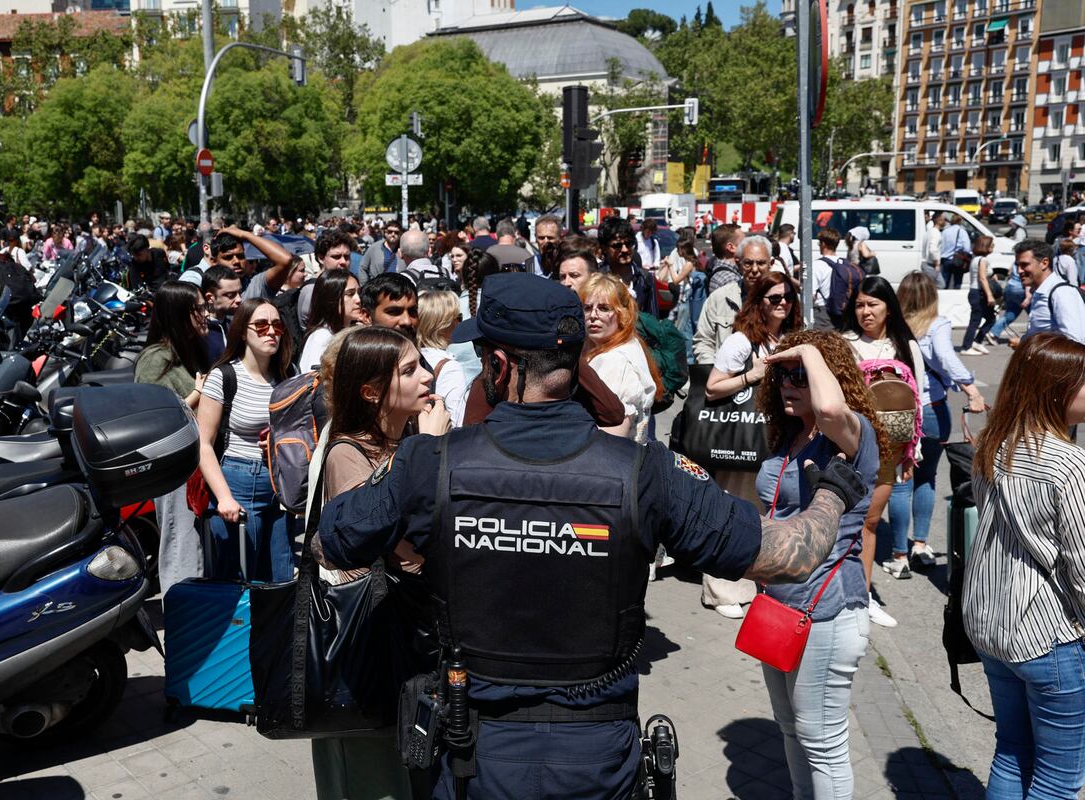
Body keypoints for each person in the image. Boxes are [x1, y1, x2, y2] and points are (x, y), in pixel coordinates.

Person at [317, 272, 868, 800]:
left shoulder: (427, 464)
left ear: (499, 365)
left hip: (476, 754)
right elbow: (786, 556)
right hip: (597, 757)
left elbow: (332, 541)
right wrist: (836, 490)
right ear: (576, 362)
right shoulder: (644, 472)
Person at [311, 326, 450, 800]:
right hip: (367, 649)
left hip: (409, 642)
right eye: (410, 371)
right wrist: (426, 451)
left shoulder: (406, 438)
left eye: (421, 365)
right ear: (371, 392)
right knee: (375, 778)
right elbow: (372, 541)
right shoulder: (347, 453)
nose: (427, 376)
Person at [756, 329, 883, 800]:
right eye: (782, 376)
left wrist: (808, 349)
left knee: (822, 742)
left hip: (825, 610)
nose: (789, 384)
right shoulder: (789, 436)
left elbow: (830, 409)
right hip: (778, 606)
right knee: (791, 730)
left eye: (801, 376)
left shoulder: (852, 437)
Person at [962, 333, 1085, 800]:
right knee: (1058, 779)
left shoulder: (993, 444)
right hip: (1048, 635)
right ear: (1056, 388)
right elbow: (1082, 567)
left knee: (1012, 750)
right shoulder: (1068, 464)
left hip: (991, 623)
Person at [701, 271, 802, 619]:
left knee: (763, 516)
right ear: (759, 302)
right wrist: (752, 375)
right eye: (774, 298)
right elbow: (712, 388)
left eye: (788, 297)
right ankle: (721, 590)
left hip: (774, 442)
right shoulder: (741, 341)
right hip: (740, 441)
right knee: (730, 512)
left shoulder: (789, 338)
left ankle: (757, 584)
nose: (782, 303)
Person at [842, 276, 926, 626]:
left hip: (891, 450)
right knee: (844, 521)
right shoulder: (845, 344)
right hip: (849, 446)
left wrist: (912, 452)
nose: (865, 312)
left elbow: (918, 399)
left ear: (888, 307)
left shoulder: (905, 346)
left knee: (871, 521)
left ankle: (862, 597)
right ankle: (839, 593)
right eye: (860, 305)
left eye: (872, 304)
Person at [891, 272, 986, 578]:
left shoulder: (893, 325)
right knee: (927, 477)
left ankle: (899, 554)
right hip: (931, 408)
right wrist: (971, 389)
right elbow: (946, 358)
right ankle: (919, 544)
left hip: (899, 408)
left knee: (901, 479)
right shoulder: (937, 324)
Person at [197, 299, 293, 582]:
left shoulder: (288, 374)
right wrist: (224, 497)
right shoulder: (224, 376)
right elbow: (203, 443)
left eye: (277, 325)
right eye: (261, 325)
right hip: (238, 481)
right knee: (240, 580)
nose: (271, 332)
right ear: (242, 332)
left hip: (279, 485)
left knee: (280, 577)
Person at [134, 282, 211, 593]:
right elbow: (150, 419)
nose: (207, 314)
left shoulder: (192, 351)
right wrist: (197, 395)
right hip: (174, 471)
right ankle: (182, 613)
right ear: (179, 314)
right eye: (199, 308)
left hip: (197, 466)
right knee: (182, 547)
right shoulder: (155, 358)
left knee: (197, 550)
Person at [579, 273, 664, 444]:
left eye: (604, 308)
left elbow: (613, 437)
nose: (593, 315)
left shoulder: (616, 361)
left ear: (622, 314)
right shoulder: (623, 346)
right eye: (587, 308)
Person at [694, 235, 773, 364]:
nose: (754, 269)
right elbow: (703, 341)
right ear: (739, 263)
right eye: (748, 263)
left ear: (771, 264)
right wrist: (716, 371)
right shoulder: (719, 298)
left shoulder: (783, 300)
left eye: (761, 263)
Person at [1015, 241, 1085, 345]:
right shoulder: (1041, 292)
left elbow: (1075, 343)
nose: (1019, 271)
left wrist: (1028, 346)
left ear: (1044, 263)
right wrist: (1023, 343)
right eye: (1017, 265)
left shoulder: (1062, 293)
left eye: (1024, 265)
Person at [417, 289, 468, 428]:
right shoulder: (449, 368)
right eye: (458, 317)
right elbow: (457, 422)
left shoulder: (411, 357)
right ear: (442, 325)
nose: (460, 323)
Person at [209, 227, 299, 302]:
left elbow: (285, 260)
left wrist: (244, 234)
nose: (236, 261)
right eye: (228, 257)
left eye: (241, 256)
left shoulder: (256, 285)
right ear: (214, 262)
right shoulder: (207, 289)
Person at [298, 269, 361, 372]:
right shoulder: (321, 337)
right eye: (350, 294)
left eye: (359, 292)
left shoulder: (352, 332)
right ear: (332, 298)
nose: (358, 300)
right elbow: (314, 378)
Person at [597, 216, 657, 316]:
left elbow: (653, 320)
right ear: (604, 248)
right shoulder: (597, 277)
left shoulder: (645, 278)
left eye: (628, 244)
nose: (624, 250)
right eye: (617, 246)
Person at [961, 235, 997, 355]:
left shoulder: (976, 259)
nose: (993, 246)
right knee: (975, 321)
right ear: (985, 246)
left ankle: (977, 341)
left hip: (976, 292)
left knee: (991, 318)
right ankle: (966, 347)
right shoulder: (982, 260)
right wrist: (990, 295)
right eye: (991, 245)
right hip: (978, 293)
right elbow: (982, 278)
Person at [200, 265, 243, 366]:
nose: (239, 299)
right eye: (230, 295)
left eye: (239, 293)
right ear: (210, 297)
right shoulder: (199, 332)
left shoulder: (233, 327)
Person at [940, 217, 973, 289]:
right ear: (960, 222)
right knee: (957, 282)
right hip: (957, 260)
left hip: (945, 259)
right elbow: (967, 248)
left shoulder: (945, 231)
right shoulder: (961, 231)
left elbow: (941, 246)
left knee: (945, 283)